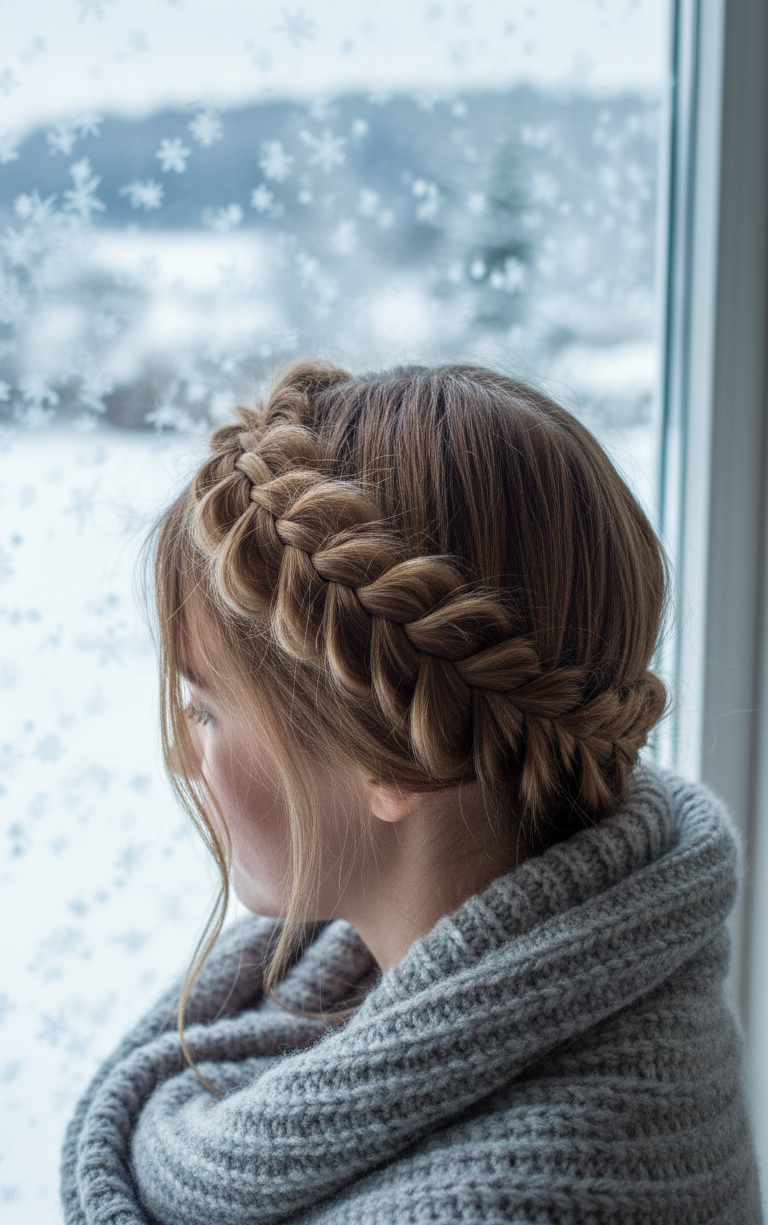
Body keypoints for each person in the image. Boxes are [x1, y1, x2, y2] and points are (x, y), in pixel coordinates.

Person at [61, 362, 761, 1224]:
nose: (180, 756)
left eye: (205, 711)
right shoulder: (636, 1010)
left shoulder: (516, 1198)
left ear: (395, 761)